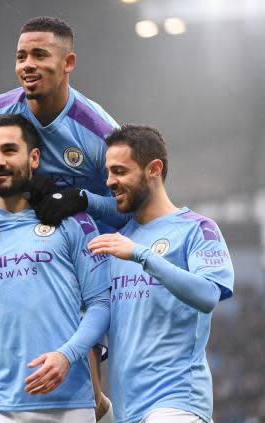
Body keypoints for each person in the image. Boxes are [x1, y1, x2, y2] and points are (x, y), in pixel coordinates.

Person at [0, 16, 121, 421]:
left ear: (68, 62)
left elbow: (128, 207)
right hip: (18, 226)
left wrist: (82, 200)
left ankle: (93, 392)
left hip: (85, 234)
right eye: (21, 56)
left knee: (83, 303)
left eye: (39, 55)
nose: (27, 65)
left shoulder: (99, 131)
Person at [0, 114, 112, 423]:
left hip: (66, 401)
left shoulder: (73, 223)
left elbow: (101, 305)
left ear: (34, 157)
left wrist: (67, 356)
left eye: (9, 150)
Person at [87, 125, 235, 423]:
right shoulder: (117, 241)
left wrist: (141, 254)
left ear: (154, 169)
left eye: (119, 171)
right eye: (108, 172)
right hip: (127, 410)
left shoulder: (196, 229)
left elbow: (208, 295)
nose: (110, 182)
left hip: (178, 402)